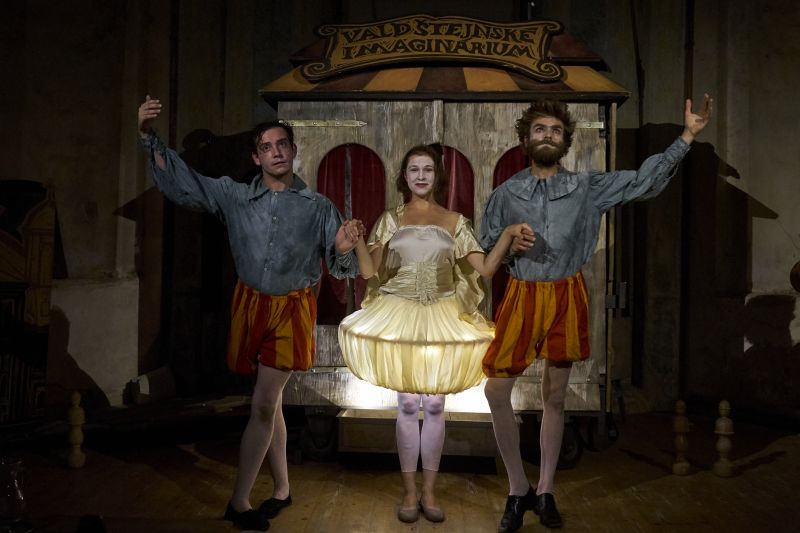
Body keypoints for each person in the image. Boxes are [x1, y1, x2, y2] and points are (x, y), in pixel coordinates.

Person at [481, 95, 713, 531]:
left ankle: (545, 490)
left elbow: (643, 182)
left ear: (565, 140)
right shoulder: (506, 193)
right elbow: (486, 245)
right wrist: (510, 245)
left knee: (555, 396)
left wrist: (686, 136)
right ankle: (518, 488)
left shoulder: (586, 186)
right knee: (496, 392)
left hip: (566, 293)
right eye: (539, 129)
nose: (547, 135)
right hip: (522, 293)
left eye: (555, 130)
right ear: (525, 139)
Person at [137, 96, 361, 531]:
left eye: (282, 144)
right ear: (256, 157)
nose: (276, 152)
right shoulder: (235, 196)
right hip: (250, 304)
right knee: (270, 404)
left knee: (261, 404)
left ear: (293, 150)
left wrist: (341, 247)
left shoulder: (317, 206)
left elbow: (341, 267)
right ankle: (282, 489)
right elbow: (185, 182)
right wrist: (147, 136)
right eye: (266, 147)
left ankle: (238, 501)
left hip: (291, 310)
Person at [338, 145, 533, 524]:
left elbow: (485, 269)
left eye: (427, 169)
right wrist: (359, 238)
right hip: (400, 313)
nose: (421, 176)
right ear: (405, 176)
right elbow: (369, 272)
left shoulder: (454, 221)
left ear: (437, 176)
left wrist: (508, 236)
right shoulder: (391, 219)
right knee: (408, 404)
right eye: (414, 169)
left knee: (436, 406)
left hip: (442, 313)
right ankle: (410, 492)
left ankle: (429, 490)